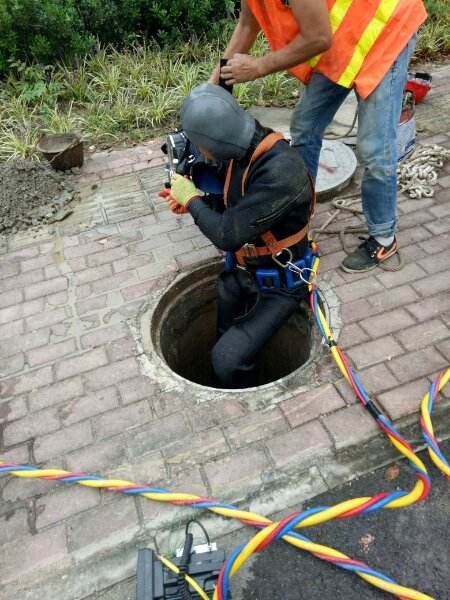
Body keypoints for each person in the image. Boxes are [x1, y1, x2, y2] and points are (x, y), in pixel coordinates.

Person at [210, 0, 427, 273]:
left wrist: (259, 67)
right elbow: (246, 25)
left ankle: (384, 237)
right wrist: (212, 89)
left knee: (374, 147)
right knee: (305, 127)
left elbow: (317, 38)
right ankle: (296, 219)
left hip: (383, 29)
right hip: (344, 36)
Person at [162, 83, 314, 388]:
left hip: (281, 285)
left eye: (198, 145)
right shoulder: (241, 149)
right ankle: (229, 383)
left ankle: (246, 394)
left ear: (211, 143)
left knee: (227, 358)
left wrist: (192, 199)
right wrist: (199, 203)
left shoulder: (280, 170)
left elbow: (227, 235)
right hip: (243, 273)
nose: (199, 152)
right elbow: (236, 206)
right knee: (226, 299)